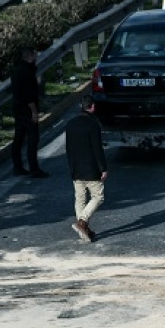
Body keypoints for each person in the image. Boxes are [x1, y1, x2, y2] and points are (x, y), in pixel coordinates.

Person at [65, 96, 107, 242]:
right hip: (91, 169)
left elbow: (68, 149)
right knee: (98, 197)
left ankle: (84, 233)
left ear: (81, 106)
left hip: (76, 168)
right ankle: (82, 221)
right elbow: (97, 149)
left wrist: (71, 168)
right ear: (93, 107)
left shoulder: (70, 124)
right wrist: (103, 168)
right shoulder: (93, 125)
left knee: (80, 199)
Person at [10, 47, 48, 178]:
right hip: (27, 109)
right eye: (34, 56)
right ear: (30, 56)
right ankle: (34, 168)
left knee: (18, 138)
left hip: (17, 108)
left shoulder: (17, 70)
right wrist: (34, 112)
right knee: (33, 138)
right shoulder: (27, 72)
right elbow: (28, 94)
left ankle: (18, 167)